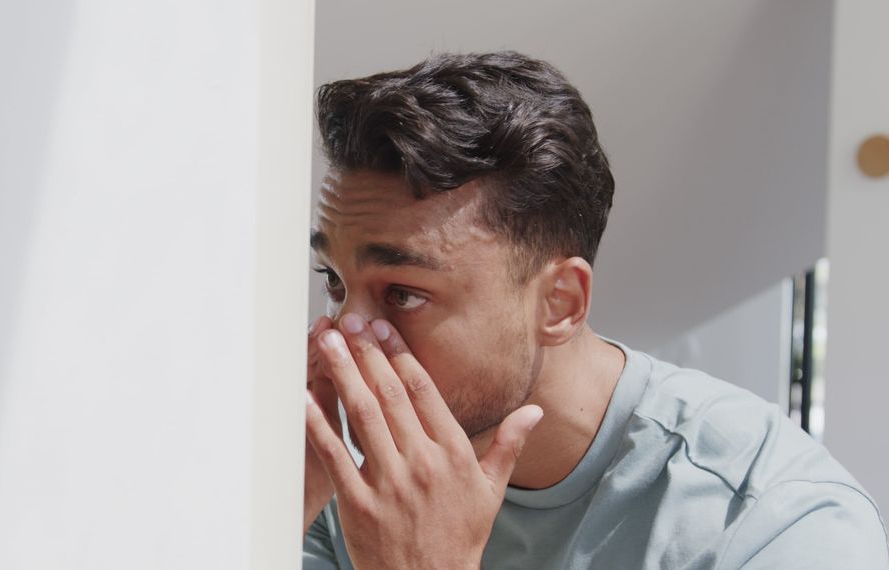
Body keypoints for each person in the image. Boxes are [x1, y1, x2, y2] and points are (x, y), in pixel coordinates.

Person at [301, 51, 889, 569]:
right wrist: (270, 520)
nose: (338, 339)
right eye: (334, 281)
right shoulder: (347, 488)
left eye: (403, 294)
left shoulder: (774, 524)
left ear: (560, 303)